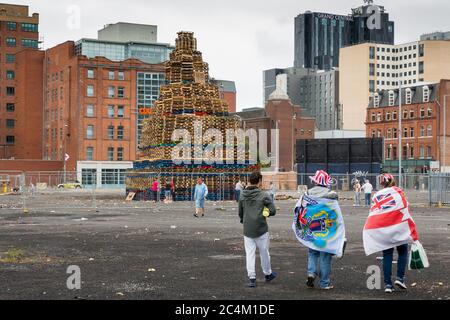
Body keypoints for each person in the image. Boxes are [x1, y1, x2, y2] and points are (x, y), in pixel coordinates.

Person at [363, 173, 419, 293]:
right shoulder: (398, 192)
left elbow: (374, 212)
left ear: (382, 183)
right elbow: (405, 207)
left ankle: (388, 284)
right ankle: (400, 278)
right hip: (398, 228)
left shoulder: (377, 195)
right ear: (392, 181)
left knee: (387, 255)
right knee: (403, 252)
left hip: (383, 230)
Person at [294, 170, 345, 290]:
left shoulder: (307, 193)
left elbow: (301, 209)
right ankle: (324, 283)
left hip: (311, 228)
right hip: (326, 229)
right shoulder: (332, 194)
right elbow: (334, 211)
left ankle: (311, 273)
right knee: (325, 255)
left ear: (315, 181)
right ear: (326, 182)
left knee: (312, 252)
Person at [239, 171, 277, 288]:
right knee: (264, 252)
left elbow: (240, 212)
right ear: (259, 181)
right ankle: (267, 274)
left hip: (248, 228)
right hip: (261, 228)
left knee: (249, 254)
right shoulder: (263, 195)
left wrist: (244, 221)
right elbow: (273, 210)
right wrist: (266, 212)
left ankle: (252, 278)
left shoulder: (242, 195)